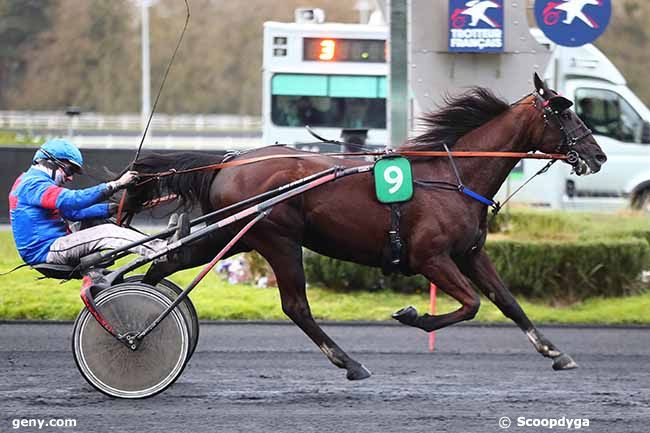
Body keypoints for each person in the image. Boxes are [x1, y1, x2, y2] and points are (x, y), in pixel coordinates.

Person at [8, 138, 188, 267]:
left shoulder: (31, 182)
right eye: (70, 170)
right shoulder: (32, 185)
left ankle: (159, 243)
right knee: (106, 232)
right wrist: (116, 185)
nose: (70, 178)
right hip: (47, 250)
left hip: (53, 244)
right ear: (50, 162)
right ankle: (164, 250)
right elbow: (72, 201)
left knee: (101, 223)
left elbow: (73, 214)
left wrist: (114, 208)